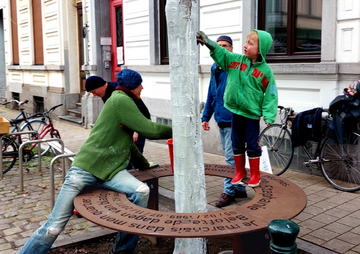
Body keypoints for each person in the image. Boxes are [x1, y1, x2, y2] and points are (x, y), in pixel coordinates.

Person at [19, 70, 172, 254]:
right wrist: (179, 128)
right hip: (84, 170)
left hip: (111, 171)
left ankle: (122, 251)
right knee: (54, 227)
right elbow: (151, 131)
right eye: (140, 84)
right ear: (132, 87)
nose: (142, 87)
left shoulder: (123, 100)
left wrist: (144, 165)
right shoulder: (121, 100)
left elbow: (126, 145)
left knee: (141, 191)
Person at [197, 30, 278, 188]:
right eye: (246, 42)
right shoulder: (236, 61)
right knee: (236, 143)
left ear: (261, 49)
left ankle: (255, 174)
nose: (245, 46)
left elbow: (271, 94)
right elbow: (222, 53)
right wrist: (208, 42)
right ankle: (240, 171)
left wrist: (269, 115)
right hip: (235, 112)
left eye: (250, 43)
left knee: (253, 145)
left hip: (251, 116)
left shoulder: (266, 71)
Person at [201, 35, 247, 207]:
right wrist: (206, 117)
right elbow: (212, 94)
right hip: (221, 118)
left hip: (233, 119)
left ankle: (229, 192)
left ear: (231, 48)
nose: (221, 48)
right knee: (235, 155)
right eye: (218, 45)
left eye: (225, 46)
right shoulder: (215, 67)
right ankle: (240, 188)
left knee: (230, 157)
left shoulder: (235, 67)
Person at [85, 74, 150, 154]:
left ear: (100, 86)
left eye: (94, 92)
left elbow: (137, 110)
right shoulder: (105, 93)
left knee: (135, 153)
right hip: (128, 124)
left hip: (140, 122)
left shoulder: (117, 90)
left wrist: (136, 131)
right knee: (125, 153)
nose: (94, 95)